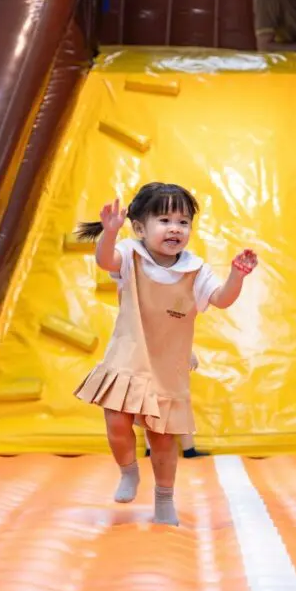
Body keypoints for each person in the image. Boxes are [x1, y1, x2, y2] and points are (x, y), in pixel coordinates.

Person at [73, 183, 258, 526]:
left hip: (166, 364)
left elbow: (221, 299)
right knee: (116, 420)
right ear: (140, 228)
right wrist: (110, 232)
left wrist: (237, 276)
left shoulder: (195, 270)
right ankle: (128, 470)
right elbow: (104, 260)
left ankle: (163, 498)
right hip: (128, 355)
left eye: (183, 222)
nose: (175, 228)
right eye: (164, 220)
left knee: (162, 438)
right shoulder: (130, 255)